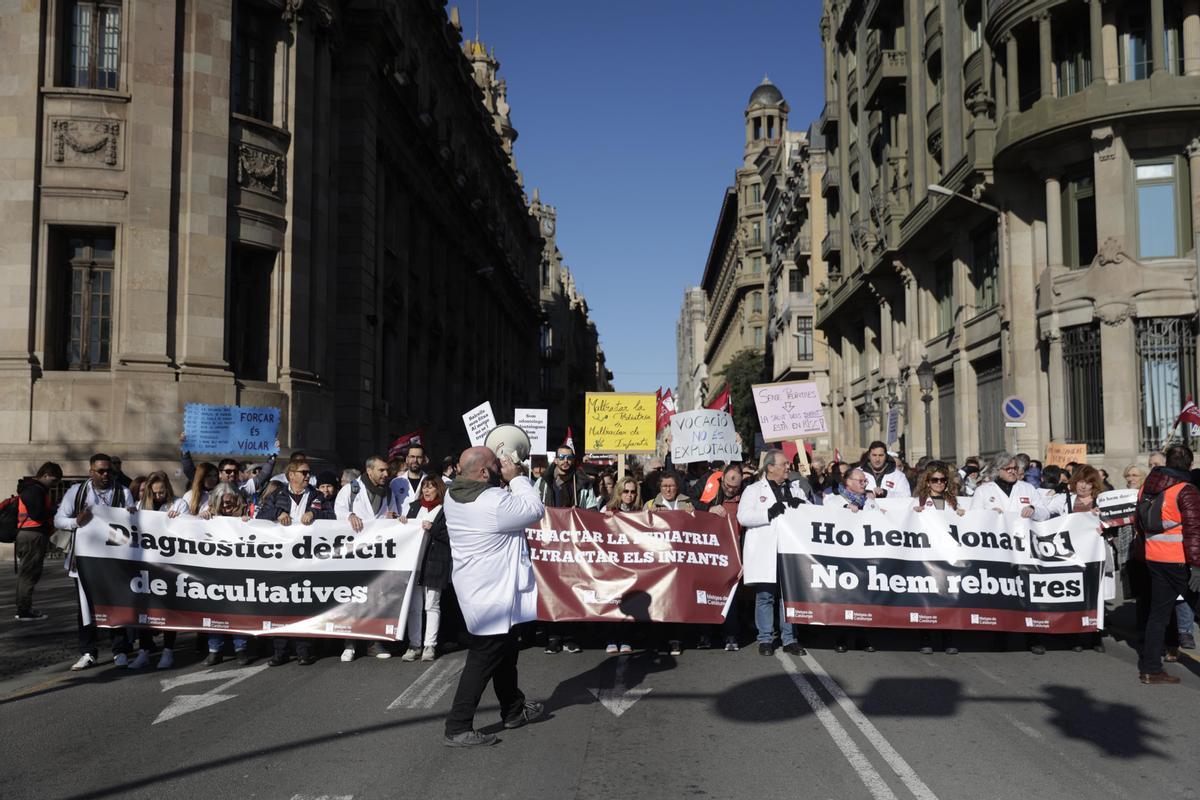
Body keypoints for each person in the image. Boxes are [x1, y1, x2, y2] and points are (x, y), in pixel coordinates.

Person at [442, 445, 546, 747]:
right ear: (485, 473)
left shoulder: (452, 494)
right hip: (492, 596)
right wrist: (515, 477)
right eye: (496, 465)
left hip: (478, 590)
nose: (502, 467)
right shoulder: (492, 502)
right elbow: (534, 510)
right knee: (484, 657)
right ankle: (458, 726)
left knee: (506, 650)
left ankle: (513, 710)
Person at [56, 454, 136, 670]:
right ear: (91, 471)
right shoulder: (77, 492)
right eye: (100, 471)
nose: (105, 475)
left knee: (115, 604)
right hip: (84, 562)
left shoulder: (123, 492)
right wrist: (75, 521)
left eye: (109, 471)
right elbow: (58, 520)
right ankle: (88, 652)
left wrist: (131, 515)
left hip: (113, 561)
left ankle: (120, 650)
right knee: (85, 608)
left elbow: (132, 523)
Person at [1134, 445, 1200, 684]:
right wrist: (1197, 566)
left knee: (1158, 616)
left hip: (1155, 558)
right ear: (1190, 465)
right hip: (1181, 562)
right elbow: (1194, 531)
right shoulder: (1186, 490)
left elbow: (1138, 523)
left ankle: (1151, 669)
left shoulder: (1147, 486)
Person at [259, 460, 334, 666]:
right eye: (304, 472)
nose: (308, 476)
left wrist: (315, 513)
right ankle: (280, 651)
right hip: (282, 561)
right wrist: (278, 513)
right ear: (292, 475)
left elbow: (331, 516)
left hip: (306, 560)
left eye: (309, 472)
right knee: (281, 605)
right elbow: (260, 516)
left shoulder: (316, 495)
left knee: (303, 604)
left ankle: (303, 650)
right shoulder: (278, 495)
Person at [738, 449, 809, 657]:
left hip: (789, 551)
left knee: (788, 597)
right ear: (771, 467)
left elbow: (811, 511)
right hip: (765, 550)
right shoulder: (753, 490)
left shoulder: (795, 488)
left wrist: (801, 506)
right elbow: (743, 517)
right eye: (784, 464)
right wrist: (768, 513)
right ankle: (766, 638)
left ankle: (789, 639)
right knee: (765, 596)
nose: (788, 467)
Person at [334, 456, 400, 661]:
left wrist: (394, 518)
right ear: (369, 470)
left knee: (375, 598)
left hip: (378, 553)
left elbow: (395, 513)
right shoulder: (351, 489)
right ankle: (350, 643)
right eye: (381, 470)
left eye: (387, 471)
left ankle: (373, 642)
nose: (386, 474)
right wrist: (349, 517)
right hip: (355, 553)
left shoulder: (388, 491)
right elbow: (339, 511)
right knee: (353, 598)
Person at [533, 445, 593, 654]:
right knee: (551, 589)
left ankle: (570, 636)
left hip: (573, 544)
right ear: (556, 460)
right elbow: (532, 509)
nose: (565, 461)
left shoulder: (583, 483)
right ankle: (553, 636)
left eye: (569, 458)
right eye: (562, 457)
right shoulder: (543, 483)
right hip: (549, 544)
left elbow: (591, 511)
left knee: (573, 589)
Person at [125, 472, 188, 669]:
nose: (159, 496)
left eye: (162, 492)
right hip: (145, 565)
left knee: (167, 608)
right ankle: (144, 651)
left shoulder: (179, 504)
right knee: (144, 609)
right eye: (155, 493)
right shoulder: (140, 507)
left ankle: (168, 650)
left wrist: (179, 519)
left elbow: (190, 529)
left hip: (170, 565)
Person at [912, 462, 962, 655]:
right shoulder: (919, 501)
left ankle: (948, 636)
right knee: (928, 597)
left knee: (948, 596)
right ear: (928, 481)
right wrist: (914, 514)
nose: (939, 483)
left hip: (949, 556)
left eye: (943, 480)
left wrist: (963, 515)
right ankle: (925, 636)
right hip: (927, 555)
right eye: (935, 480)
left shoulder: (954, 501)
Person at [403, 476, 452, 662]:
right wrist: (402, 521)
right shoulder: (414, 507)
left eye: (431, 487)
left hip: (435, 562)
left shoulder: (446, 510)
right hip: (413, 564)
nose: (426, 491)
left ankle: (429, 645)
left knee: (431, 605)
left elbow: (451, 536)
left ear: (439, 489)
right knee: (413, 607)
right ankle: (414, 644)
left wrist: (433, 529)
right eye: (424, 487)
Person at [13, 462, 63, 622]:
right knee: (29, 574)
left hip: (27, 534)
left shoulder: (31, 488)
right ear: (46, 475)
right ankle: (24, 610)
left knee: (26, 573)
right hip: (33, 535)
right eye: (54, 480)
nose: (54, 484)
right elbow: (38, 514)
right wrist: (55, 509)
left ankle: (24, 608)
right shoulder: (35, 490)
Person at [969, 452, 1051, 521]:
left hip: (1024, 537)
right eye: (1008, 469)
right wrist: (989, 514)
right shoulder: (982, 491)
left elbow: (1046, 514)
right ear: (997, 470)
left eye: (1014, 468)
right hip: (998, 538)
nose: (1012, 471)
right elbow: (973, 518)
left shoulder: (1028, 488)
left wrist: (1033, 509)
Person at [392, 445, 429, 518]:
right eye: (412, 456)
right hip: (401, 526)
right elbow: (391, 509)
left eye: (419, 457)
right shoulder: (395, 483)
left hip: (422, 526)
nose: (415, 460)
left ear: (424, 460)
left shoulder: (431, 481)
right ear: (407, 459)